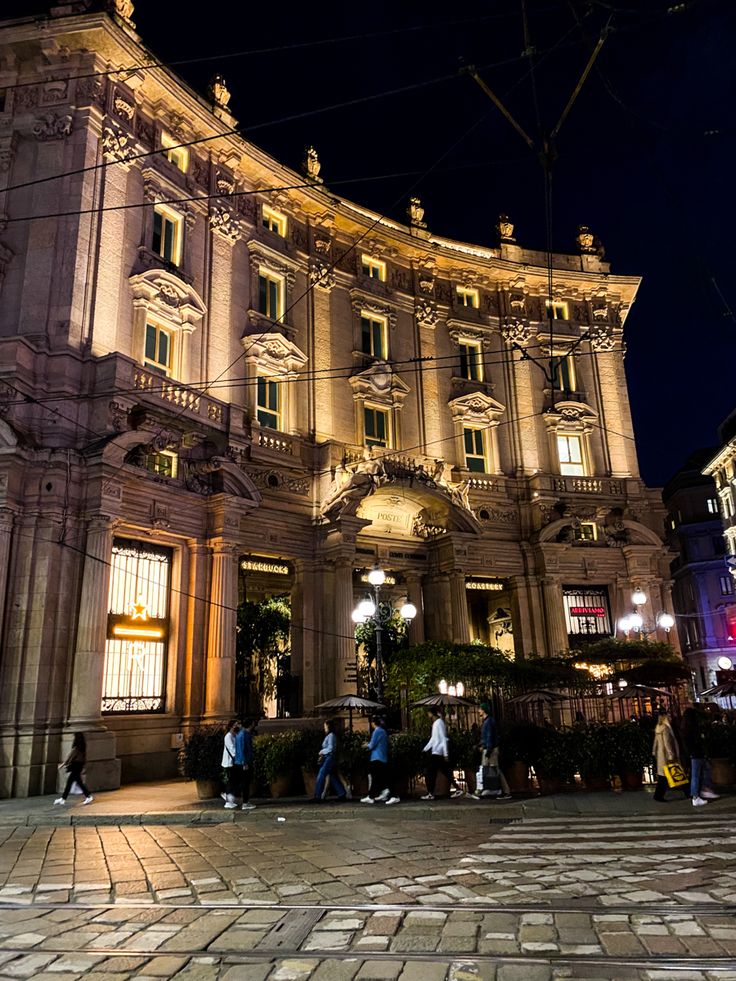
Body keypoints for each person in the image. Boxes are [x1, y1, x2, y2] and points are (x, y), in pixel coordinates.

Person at [420, 708, 465, 800]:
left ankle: (430, 793)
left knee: (430, 772)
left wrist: (445, 753)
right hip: (438, 752)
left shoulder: (438, 723)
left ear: (431, 713)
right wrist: (425, 748)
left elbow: (443, 738)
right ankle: (457, 788)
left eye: (428, 713)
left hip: (437, 752)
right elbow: (434, 739)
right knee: (445, 771)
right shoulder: (437, 723)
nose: (428, 716)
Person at [681, 707, 720, 808]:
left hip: (694, 754)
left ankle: (704, 790)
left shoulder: (685, 727)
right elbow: (695, 741)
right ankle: (696, 796)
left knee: (704, 770)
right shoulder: (692, 728)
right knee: (696, 775)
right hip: (696, 753)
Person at [475, 701, 511, 800]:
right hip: (489, 748)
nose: (478, 711)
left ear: (483, 710)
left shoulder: (488, 722)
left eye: (480, 709)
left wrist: (488, 749)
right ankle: (490, 789)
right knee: (491, 769)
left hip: (490, 749)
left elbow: (489, 737)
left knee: (493, 769)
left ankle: (502, 790)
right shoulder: (488, 721)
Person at [652, 707, 688, 803]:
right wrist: (671, 755)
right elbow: (667, 743)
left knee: (664, 776)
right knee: (678, 773)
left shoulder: (658, 727)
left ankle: (658, 795)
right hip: (667, 756)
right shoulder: (666, 728)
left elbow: (656, 742)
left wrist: (654, 751)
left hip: (661, 755)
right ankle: (687, 792)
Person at [361, 717, 399, 805]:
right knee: (380, 777)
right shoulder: (383, 731)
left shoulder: (377, 731)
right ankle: (383, 793)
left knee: (376, 777)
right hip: (382, 757)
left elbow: (372, 745)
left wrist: (366, 745)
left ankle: (391, 795)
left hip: (377, 757)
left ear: (373, 723)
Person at [54, 732, 93, 805]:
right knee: (76, 782)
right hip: (79, 766)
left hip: (75, 767)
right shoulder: (82, 748)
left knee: (72, 783)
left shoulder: (76, 748)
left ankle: (88, 796)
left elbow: (70, 757)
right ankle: (63, 798)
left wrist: (62, 765)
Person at [314, 720, 347, 802]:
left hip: (329, 757)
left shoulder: (331, 736)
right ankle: (342, 793)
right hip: (329, 757)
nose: (324, 728)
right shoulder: (330, 736)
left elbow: (331, 748)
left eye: (325, 726)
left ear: (328, 727)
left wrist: (322, 751)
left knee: (321, 775)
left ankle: (317, 796)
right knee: (332, 776)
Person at [236, 718, 256, 811]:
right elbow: (242, 749)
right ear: (251, 724)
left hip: (243, 761)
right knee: (245, 782)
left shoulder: (242, 734)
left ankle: (245, 801)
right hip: (244, 762)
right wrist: (244, 762)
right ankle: (245, 802)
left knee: (245, 782)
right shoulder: (244, 735)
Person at [221, 719, 240, 809]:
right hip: (229, 762)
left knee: (233, 780)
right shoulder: (228, 737)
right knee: (230, 781)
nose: (237, 726)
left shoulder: (234, 735)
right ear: (231, 726)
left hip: (233, 762)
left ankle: (229, 798)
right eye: (236, 725)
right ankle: (228, 800)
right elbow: (232, 750)